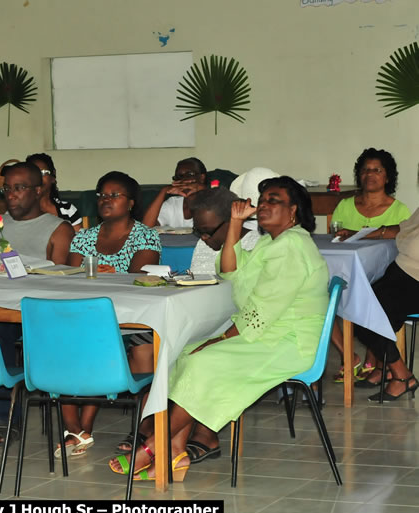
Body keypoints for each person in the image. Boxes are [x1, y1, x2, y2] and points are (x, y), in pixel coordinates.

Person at [110, 176, 329, 480]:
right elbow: (230, 270)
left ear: (294, 210)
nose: (264, 205)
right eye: (262, 199)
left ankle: (151, 446)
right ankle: (175, 450)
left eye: (274, 201)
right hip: (270, 335)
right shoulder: (272, 242)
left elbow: (263, 309)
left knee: (202, 361)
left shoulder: (292, 246)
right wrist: (236, 223)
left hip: (289, 343)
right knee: (185, 353)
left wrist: (221, 339)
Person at [0, 161, 74, 445]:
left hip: (25, 313)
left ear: (38, 191)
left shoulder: (58, 229)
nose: (11, 194)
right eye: (7, 188)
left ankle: (1, 419)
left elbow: (57, 286)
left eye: (20, 188)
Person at [60, 171, 160, 457]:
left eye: (114, 195)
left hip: (132, 316)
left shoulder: (146, 236)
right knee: (63, 340)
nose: (105, 200)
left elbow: (137, 280)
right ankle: (74, 428)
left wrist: (108, 274)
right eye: (101, 195)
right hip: (89, 314)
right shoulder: (84, 237)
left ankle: (141, 425)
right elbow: (70, 277)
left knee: (144, 350)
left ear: (130, 203)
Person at [330, 149, 411, 382]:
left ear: (387, 177)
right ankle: (349, 356)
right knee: (324, 293)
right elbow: (334, 242)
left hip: (383, 275)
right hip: (346, 273)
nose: (370, 174)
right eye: (365, 170)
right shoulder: (344, 206)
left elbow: (402, 245)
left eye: (377, 170)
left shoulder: (400, 210)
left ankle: (374, 360)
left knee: (376, 292)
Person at [351, 207, 419, 401]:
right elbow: (404, 228)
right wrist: (362, 234)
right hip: (401, 274)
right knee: (357, 304)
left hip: (415, 281)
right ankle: (384, 369)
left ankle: (402, 376)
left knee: (366, 313)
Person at [188, 187, 260, 275]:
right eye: (198, 231)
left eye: (208, 231)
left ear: (230, 222)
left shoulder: (256, 244)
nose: (203, 237)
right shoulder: (203, 243)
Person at [142, 157, 208, 228]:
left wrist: (203, 189)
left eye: (190, 174)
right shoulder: (173, 204)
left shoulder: (213, 200)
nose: (184, 179)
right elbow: (146, 229)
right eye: (179, 176)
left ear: (202, 178)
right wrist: (163, 191)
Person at [26, 153, 83, 230]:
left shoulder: (68, 210)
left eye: (43, 173)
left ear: (52, 176)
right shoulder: (19, 211)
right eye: (34, 173)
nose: (38, 178)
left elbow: (78, 241)